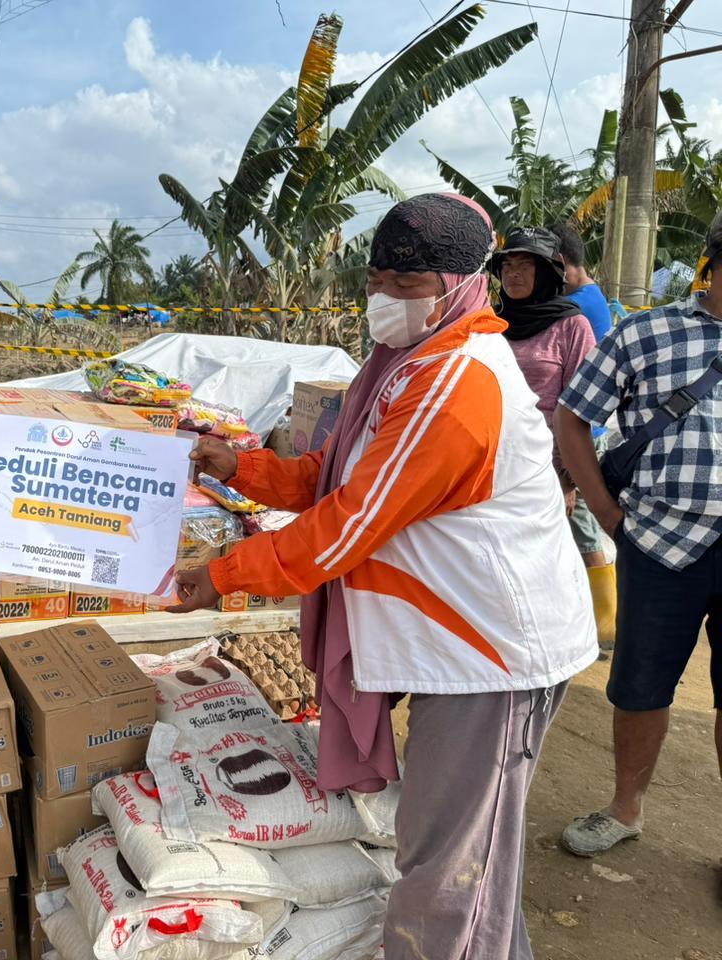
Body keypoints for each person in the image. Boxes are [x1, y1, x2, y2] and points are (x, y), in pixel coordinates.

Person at [171, 193, 597, 959]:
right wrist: (242, 467)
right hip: (453, 645)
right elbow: (333, 474)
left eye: (409, 286)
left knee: (448, 872)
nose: (385, 300)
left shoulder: (458, 383)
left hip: (493, 656)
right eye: (377, 280)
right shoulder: (404, 364)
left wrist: (227, 572)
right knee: (465, 860)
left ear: (463, 284)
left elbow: (350, 521)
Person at [555, 212, 722, 858]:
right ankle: (626, 808)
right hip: (658, 546)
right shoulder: (646, 334)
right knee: (642, 686)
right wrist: (606, 513)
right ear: (710, 266)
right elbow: (574, 418)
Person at [492, 227, 612, 643]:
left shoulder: (572, 327)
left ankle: (588, 628)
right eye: (507, 265)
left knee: (550, 552)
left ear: (546, 272)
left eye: (524, 265)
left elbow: (577, 409)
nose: (513, 274)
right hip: (492, 461)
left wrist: (566, 479)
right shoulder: (491, 323)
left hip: (547, 464)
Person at [549, 221, 618, 645]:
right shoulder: (590, 299)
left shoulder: (579, 309)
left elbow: (578, 392)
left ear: (559, 263)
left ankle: (606, 628)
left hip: (583, 433)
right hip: (586, 430)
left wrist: (570, 468)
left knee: (585, 527)